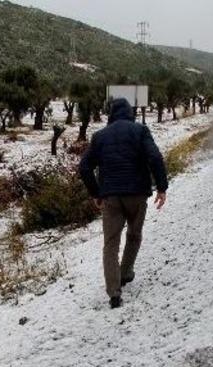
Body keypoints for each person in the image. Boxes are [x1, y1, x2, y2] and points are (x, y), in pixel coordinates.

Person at [79, 98, 168, 309]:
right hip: (137, 194)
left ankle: (113, 293)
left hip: (111, 197)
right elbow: (155, 157)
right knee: (134, 236)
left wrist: (96, 193)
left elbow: (84, 167)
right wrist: (162, 187)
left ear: (110, 114)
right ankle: (126, 272)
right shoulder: (140, 131)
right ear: (130, 113)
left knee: (110, 244)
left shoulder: (99, 136)